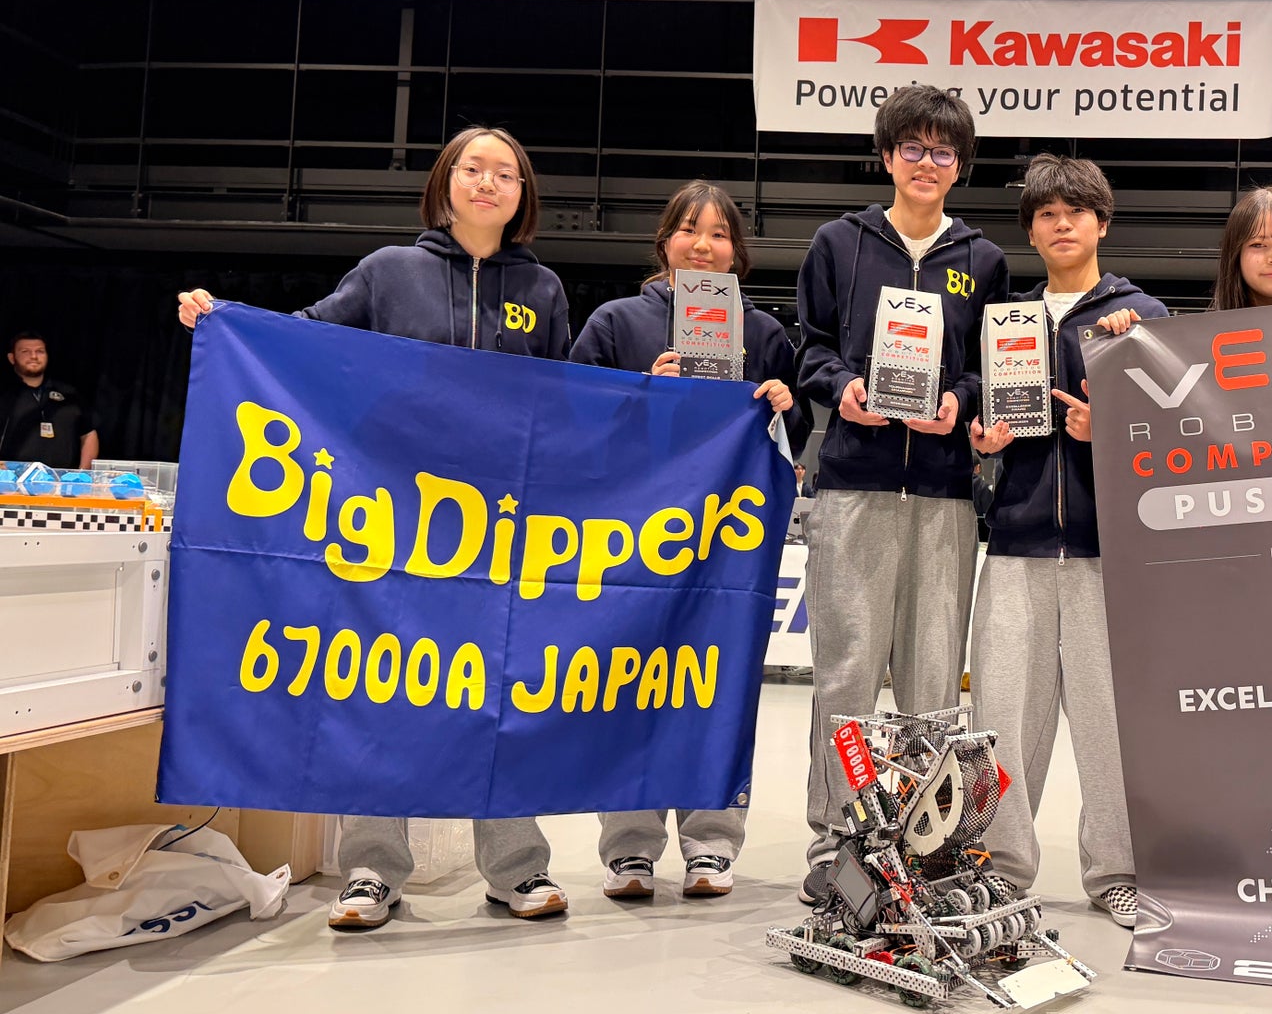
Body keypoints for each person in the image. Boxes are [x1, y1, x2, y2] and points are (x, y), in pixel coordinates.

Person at [177, 126, 572, 932]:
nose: (488, 182)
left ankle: (516, 868)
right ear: (446, 181)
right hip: (391, 521)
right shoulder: (389, 271)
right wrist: (225, 321)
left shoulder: (543, 289)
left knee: (497, 690)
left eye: (505, 173)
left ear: (522, 194)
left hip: (498, 529)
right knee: (382, 688)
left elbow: (565, 401)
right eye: (473, 168)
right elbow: (302, 339)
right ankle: (371, 870)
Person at [793, 84, 1010, 902]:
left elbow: (989, 369)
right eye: (912, 148)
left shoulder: (983, 260)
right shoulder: (838, 244)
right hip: (855, 487)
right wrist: (842, 389)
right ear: (887, 156)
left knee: (931, 683)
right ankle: (836, 844)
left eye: (942, 151)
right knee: (846, 676)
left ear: (960, 165)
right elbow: (810, 348)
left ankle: (922, 847)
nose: (927, 162)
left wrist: (960, 399)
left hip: (946, 497)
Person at [569, 179, 810, 901]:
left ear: (737, 253)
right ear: (665, 242)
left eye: (719, 234)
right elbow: (574, 417)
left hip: (726, 543)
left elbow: (791, 442)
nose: (703, 245)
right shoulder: (616, 322)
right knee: (626, 685)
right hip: (633, 539)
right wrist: (640, 391)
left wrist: (783, 407)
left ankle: (712, 842)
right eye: (688, 230)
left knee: (716, 685)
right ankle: (629, 848)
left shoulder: (763, 335)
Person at [967, 154, 1168, 928]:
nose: (1061, 224)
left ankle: (1117, 871)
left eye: (1075, 212)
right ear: (1031, 231)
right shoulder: (1004, 321)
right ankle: (1001, 871)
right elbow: (982, 423)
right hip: (1014, 548)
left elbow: (1170, 432)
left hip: (1105, 555)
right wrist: (982, 444)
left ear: (1101, 223)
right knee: (1001, 722)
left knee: (1109, 724)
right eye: (1046, 214)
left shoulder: (1141, 316)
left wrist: (1106, 429)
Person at [2, 332, 99, 470]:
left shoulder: (69, 394)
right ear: (12, 358)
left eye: (40, 351)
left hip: (62, 481)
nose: (34, 356)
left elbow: (88, 434)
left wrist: (82, 473)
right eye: (25, 351)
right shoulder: (5, 395)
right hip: (11, 481)